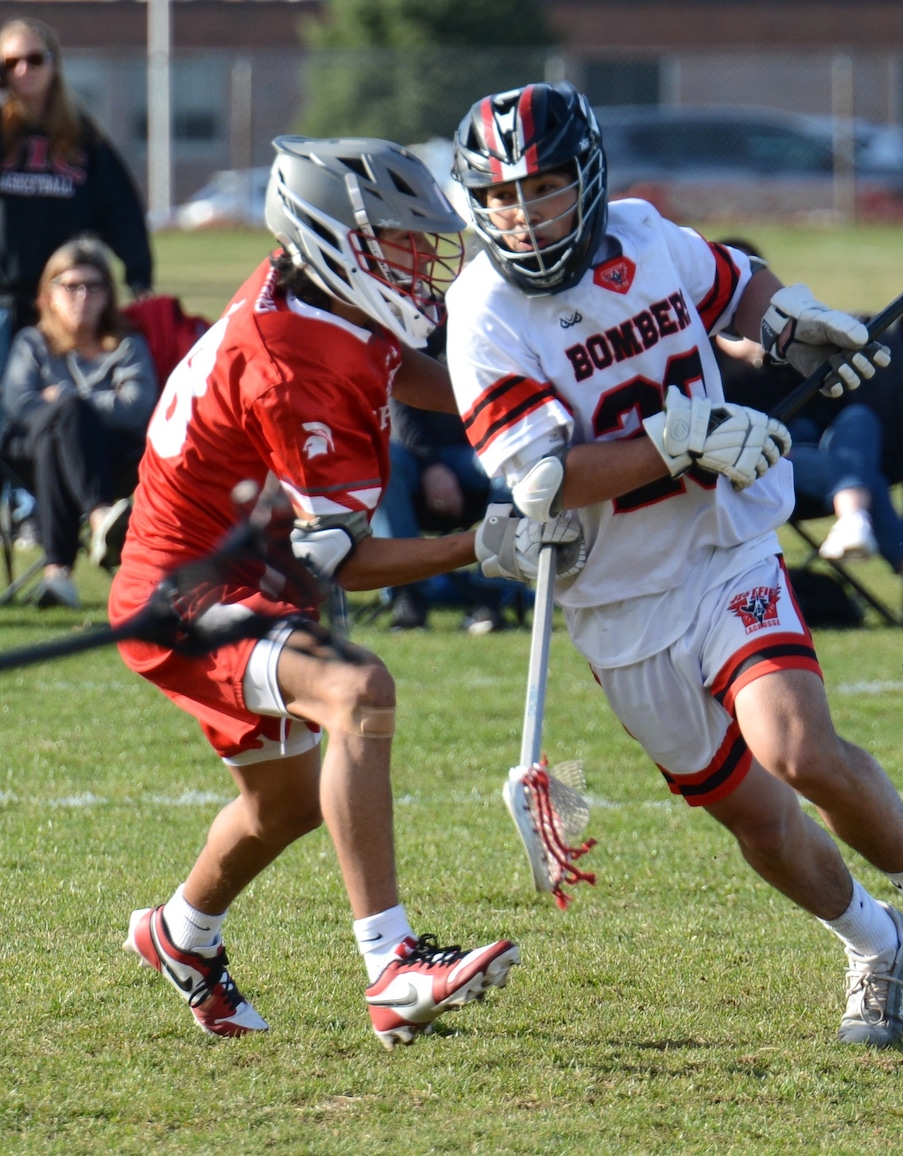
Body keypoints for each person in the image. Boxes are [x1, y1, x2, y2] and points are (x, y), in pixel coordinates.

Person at [447, 82, 903, 1048]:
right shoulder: (482, 310)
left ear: (588, 178)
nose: (525, 215)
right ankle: (874, 942)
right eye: (503, 197)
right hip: (616, 597)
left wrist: (791, 321)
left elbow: (735, 282)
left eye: (546, 187)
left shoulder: (643, 234)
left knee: (798, 749)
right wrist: (677, 439)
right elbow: (546, 477)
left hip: (722, 545)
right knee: (757, 820)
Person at [108, 135, 585, 1047]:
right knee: (358, 689)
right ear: (334, 240)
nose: (420, 259)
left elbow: (391, 363)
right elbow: (347, 561)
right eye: (399, 241)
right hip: (184, 597)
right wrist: (482, 544)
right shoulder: (293, 362)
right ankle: (392, 965)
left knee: (284, 805)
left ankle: (178, 934)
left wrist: (514, 404)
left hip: (232, 576)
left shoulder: (314, 292)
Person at [712, 302, 903, 631]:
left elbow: (829, 413)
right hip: (767, 468)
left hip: (826, 459)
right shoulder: (710, 370)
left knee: (859, 418)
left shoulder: (790, 356)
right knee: (867, 481)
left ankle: (854, 518)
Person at [1, 234, 156, 608]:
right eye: (71, 286)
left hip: (112, 455)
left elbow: (138, 405)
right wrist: (77, 406)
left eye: (94, 286)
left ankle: (58, 574)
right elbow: (18, 404)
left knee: (61, 432)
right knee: (66, 421)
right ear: (49, 294)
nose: (83, 296)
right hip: (26, 453)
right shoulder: (32, 343)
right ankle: (101, 517)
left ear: (108, 295)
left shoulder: (126, 343)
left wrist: (64, 400)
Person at [0, 18, 153, 369]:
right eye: (10, 62)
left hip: (65, 298)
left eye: (35, 59)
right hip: (3, 300)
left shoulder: (83, 136)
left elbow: (121, 209)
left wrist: (139, 275)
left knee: (60, 396)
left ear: (54, 63)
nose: (23, 70)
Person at [371, 386, 525, 634]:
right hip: (412, 457)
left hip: (476, 453)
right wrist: (431, 466)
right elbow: (398, 409)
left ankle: (490, 595)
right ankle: (406, 594)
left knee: (516, 465)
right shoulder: (399, 359)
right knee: (384, 457)